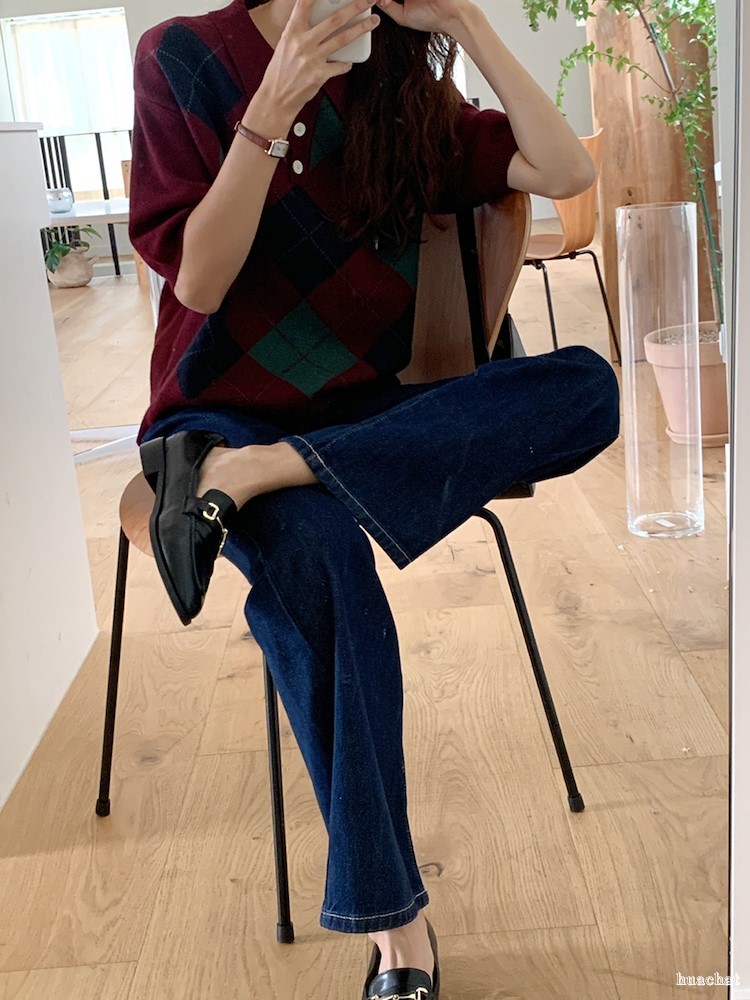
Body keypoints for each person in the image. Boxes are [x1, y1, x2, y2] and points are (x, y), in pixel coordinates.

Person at [128, 0, 620, 994]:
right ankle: (397, 929)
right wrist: (269, 114)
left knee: (588, 388)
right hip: (217, 419)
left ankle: (281, 468)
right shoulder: (184, 58)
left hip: (363, 416)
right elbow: (202, 285)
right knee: (321, 557)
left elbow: (567, 173)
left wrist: (468, 24)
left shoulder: (404, 87)